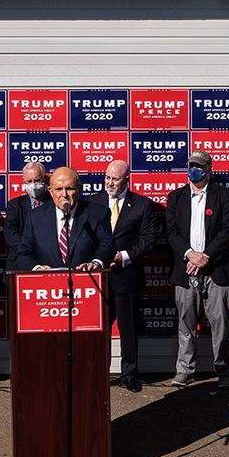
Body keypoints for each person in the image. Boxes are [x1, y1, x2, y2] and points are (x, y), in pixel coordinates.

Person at [165, 150, 229, 388]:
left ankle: (224, 372)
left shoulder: (224, 196)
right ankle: (185, 371)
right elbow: (172, 233)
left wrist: (205, 256)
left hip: (216, 269)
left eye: (199, 166)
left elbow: (228, 230)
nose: (193, 170)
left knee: (220, 324)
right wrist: (190, 254)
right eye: (191, 165)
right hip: (185, 269)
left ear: (209, 169)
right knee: (185, 323)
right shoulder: (175, 197)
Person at [88, 160, 160, 392]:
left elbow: (148, 241)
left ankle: (129, 374)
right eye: (107, 177)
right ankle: (99, 373)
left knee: (129, 329)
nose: (109, 182)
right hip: (98, 277)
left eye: (115, 178)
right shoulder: (92, 203)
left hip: (127, 276)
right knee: (99, 329)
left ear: (127, 179)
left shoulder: (143, 205)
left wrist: (123, 256)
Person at [17, 166, 116, 272]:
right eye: (59, 189)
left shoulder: (97, 213)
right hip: (47, 284)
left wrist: (96, 263)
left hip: (87, 282)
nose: (64, 195)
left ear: (79, 189)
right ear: (50, 191)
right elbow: (23, 253)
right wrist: (37, 269)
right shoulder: (35, 217)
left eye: (69, 189)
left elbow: (107, 244)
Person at [4, 161, 49, 271]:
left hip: (49, 261)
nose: (33, 185)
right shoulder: (14, 205)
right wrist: (28, 254)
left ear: (44, 180)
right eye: (29, 181)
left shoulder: (54, 203)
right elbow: (10, 234)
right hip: (20, 262)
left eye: (37, 180)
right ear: (24, 182)